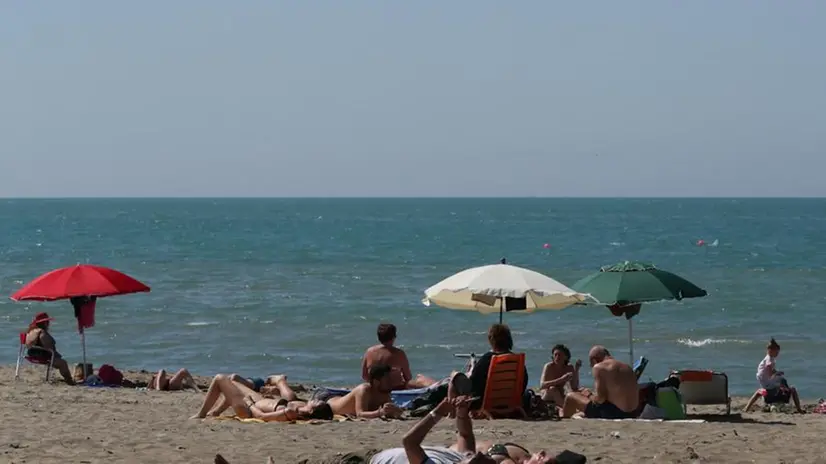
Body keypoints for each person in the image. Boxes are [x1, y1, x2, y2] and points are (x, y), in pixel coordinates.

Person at [370, 374, 562, 464]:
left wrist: (437, 412)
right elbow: (465, 435)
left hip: (380, 459)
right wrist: (462, 412)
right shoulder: (462, 458)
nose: (483, 456)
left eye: (545, 459)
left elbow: (409, 443)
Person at [192, 365, 404, 421]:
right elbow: (359, 413)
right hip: (326, 405)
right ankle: (213, 411)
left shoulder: (291, 413)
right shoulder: (365, 389)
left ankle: (205, 413)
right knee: (227, 382)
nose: (390, 382)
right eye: (386, 378)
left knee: (222, 380)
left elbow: (261, 416)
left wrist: (393, 411)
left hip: (252, 408)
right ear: (376, 381)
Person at [560, 346, 638, 419]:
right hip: (633, 413)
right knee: (583, 411)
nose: (591, 366)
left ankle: (565, 421)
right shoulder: (627, 367)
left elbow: (601, 399)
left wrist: (589, 395)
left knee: (570, 397)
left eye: (591, 363)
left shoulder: (599, 367)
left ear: (594, 360)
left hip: (614, 414)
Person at [469, 324, 528, 410]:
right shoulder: (517, 360)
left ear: (491, 340)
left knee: (455, 377)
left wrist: (471, 369)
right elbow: (524, 383)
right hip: (510, 403)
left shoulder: (487, 358)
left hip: (486, 403)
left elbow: (473, 384)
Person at [362, 323, 436, 390]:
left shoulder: (369, 351)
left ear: (379, 337)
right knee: (422, 379)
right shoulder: (398, 353)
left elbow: (364, 375)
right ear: (394, 337)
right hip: (395, 388)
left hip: (376, 388)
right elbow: (408, 377)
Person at [744, 338, 804, 413]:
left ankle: (746, 408)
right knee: (791, 388)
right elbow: (769, 369)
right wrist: (774, 373)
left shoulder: (767, 359)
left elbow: (769, 370)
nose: (777, 354)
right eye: (776, 352)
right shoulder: (769, 359)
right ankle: (799, 409)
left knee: (759, 391)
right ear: (770, 350)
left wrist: (776, 372)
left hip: (768, 389)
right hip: (771, 390)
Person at [24, 312, 75, 385]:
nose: (48, 323)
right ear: (45, 323)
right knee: (63, 363)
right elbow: (48, 346)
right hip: (42, 356)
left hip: (32, 354)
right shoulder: (42, 332)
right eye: (47, 322)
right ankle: (69, 381)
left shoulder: (31, 331)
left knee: (60, 360)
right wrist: (55, 353)